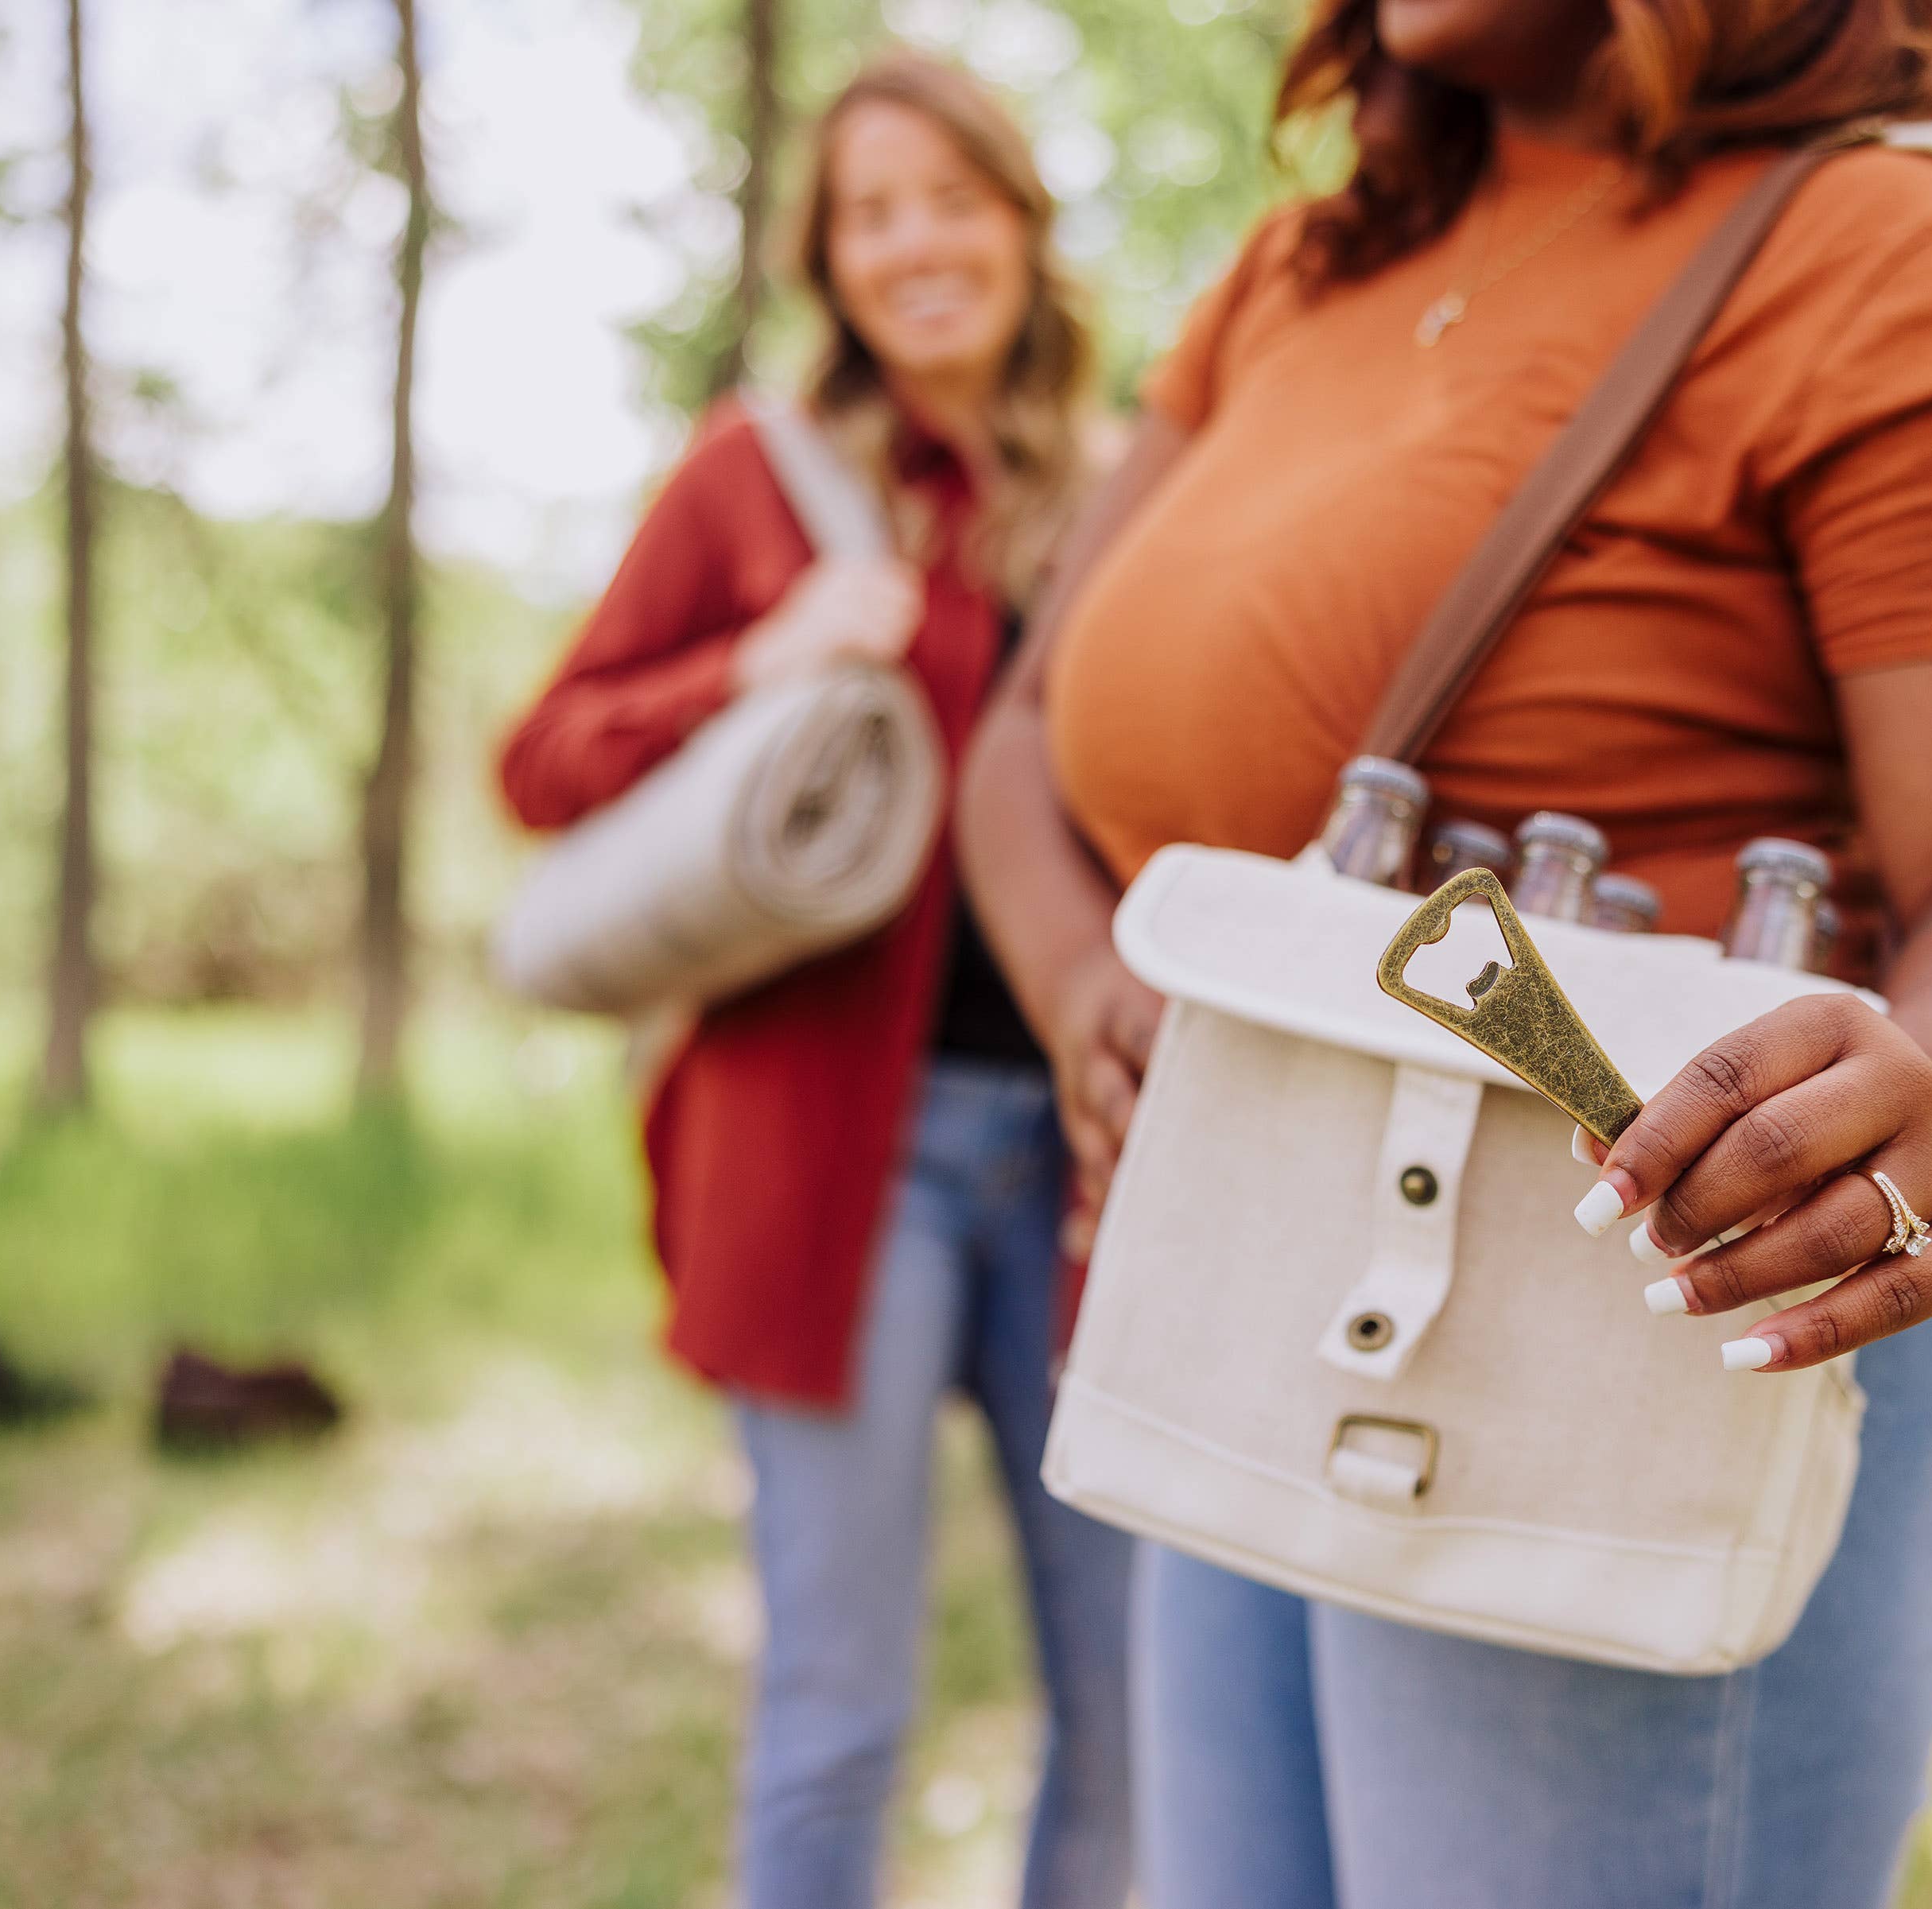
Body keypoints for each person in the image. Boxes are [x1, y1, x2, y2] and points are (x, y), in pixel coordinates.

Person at [956, 0, 1932, 1903]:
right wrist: (1081, 989)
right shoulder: (1301, 273)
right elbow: (1024, 731)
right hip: (1251, 1279)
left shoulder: (1908, 253)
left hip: (1647, 1328)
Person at [499, 52, 1130, 1909]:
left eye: (953, 199)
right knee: (841, 1709)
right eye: (872, 213)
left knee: (1134, 1709)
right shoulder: (758, 479)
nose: (916, 244)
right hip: (838, 1155)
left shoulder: (1124, 496)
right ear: (830, 260)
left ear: (1022, 223)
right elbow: (540, 761)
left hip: (1095, 1161)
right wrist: (754, 658)